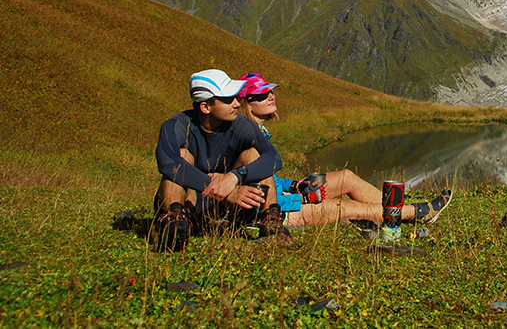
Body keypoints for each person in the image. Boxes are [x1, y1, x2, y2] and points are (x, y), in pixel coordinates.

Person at [235, 72, 452, 228]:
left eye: (271, 91)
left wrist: (295, 184)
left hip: (284, 198)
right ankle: (415, 213)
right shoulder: (246, 139)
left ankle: (393, 206)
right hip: (271, 214)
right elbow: (260, 197)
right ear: (248, 102)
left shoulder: (257, 132)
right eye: (264, 94)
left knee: (347, 177)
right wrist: (302, 198)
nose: (271, 96)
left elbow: (269, 179)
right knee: (344, 207)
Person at [152, 69, 285, 251]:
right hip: (192, 201)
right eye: (228, 99)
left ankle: (271, 223)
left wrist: (235, 177)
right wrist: (220, 189)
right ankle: (175, 222)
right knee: (182, 156)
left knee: (253, 155)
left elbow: (273, 158)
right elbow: (168, 162)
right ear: (205, 107)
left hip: (228, 208)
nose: (237, 104)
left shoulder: (242, 124)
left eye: (236, 97)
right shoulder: (178, 125)